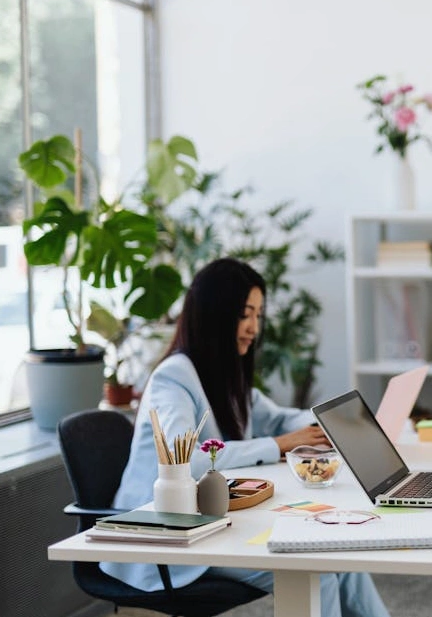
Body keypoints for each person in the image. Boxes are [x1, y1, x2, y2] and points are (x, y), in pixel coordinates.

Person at [101, 258, 391, 617]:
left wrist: (339, 422)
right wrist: (279, 444)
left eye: (258, 315)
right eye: (245, 314)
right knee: (317, 574)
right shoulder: (173, 378)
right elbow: (185, 460)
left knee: (340, 555)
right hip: (168, 536)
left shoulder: (224, 374)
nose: (254, 327)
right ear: (215, 315)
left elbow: (278, 418)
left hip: (210, 522)